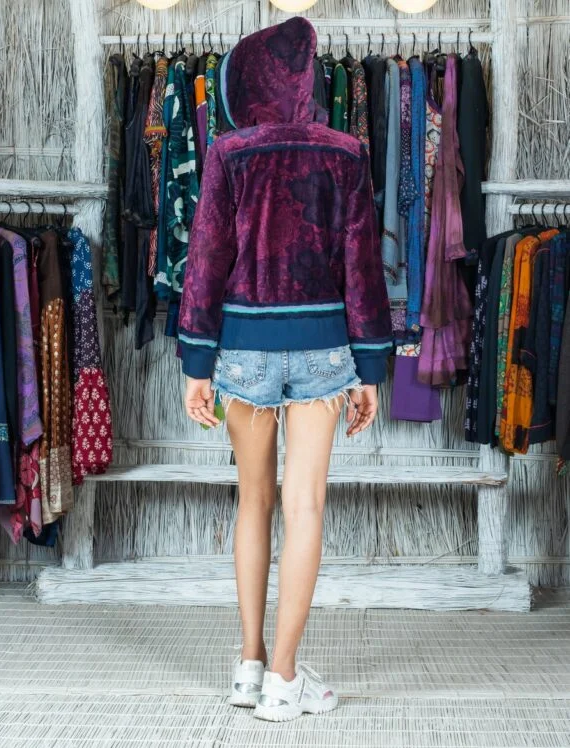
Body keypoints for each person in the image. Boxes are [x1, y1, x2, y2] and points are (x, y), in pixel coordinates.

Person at [178, 17, 392, 723]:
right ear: (307, 80)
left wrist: (197, 362)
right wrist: (369, 368)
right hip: (325, 346)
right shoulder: (346, 152)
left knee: (254, 502)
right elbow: (362, 265)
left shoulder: (228, 152)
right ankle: (284, 679)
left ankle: (248, 665)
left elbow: (206, 258)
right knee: (305, 507)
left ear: (244, 80)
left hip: (242, 347)